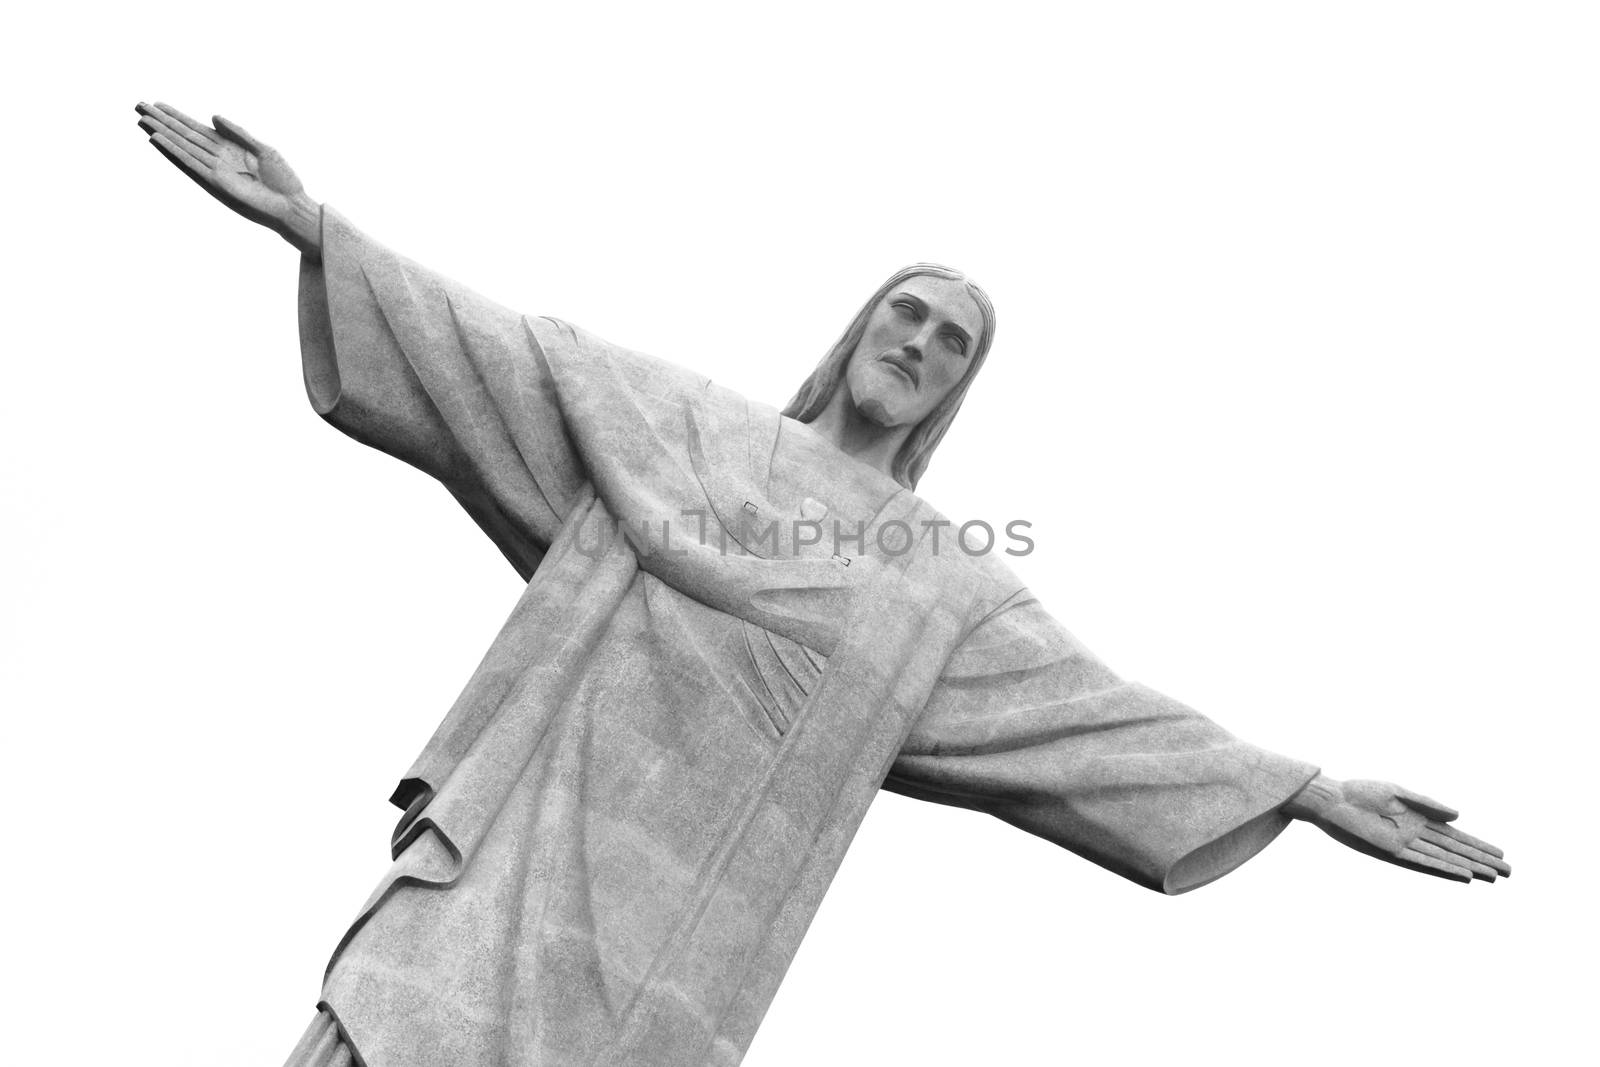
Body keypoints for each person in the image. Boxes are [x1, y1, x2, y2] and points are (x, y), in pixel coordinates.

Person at [134, 102, 1510, 1067]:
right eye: (906, 313)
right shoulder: (685, 426)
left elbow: (1094, 717)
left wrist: (1308, 788)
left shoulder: (939, 591)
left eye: (951, 341)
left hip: (666, 956)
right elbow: (503, 355)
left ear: (958, 389)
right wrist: (316, 228)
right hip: (509, 867)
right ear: (861, 326)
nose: (918, 341)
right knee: (388, 1020)